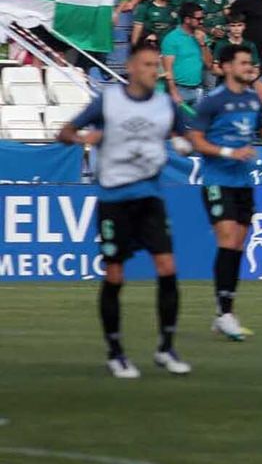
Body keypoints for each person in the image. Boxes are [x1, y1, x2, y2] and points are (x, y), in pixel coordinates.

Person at [54, 44, 191, 377]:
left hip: (150, 197)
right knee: (115, 274)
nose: (151, 71)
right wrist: (88, 138)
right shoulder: (109, 100)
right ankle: (115, 352)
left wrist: (186, 142)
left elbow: (187, 136)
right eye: (146, 64)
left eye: (155, 65)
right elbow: (64, 132)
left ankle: (166, 348)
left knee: (167, 267)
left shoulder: (165, 105)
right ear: (130, 67)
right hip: (114, 199)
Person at [185, 43, 262, 342]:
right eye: (242, 63)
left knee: (237, 246)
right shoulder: (212, 101)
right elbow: (195, 140)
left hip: (243, 182)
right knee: (226, 241)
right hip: (216, 180)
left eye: (250, 62)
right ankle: (225, 314)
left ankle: (224, 309)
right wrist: (227, 151)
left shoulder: (252, 98)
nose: (248, 67)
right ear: (225, 67)